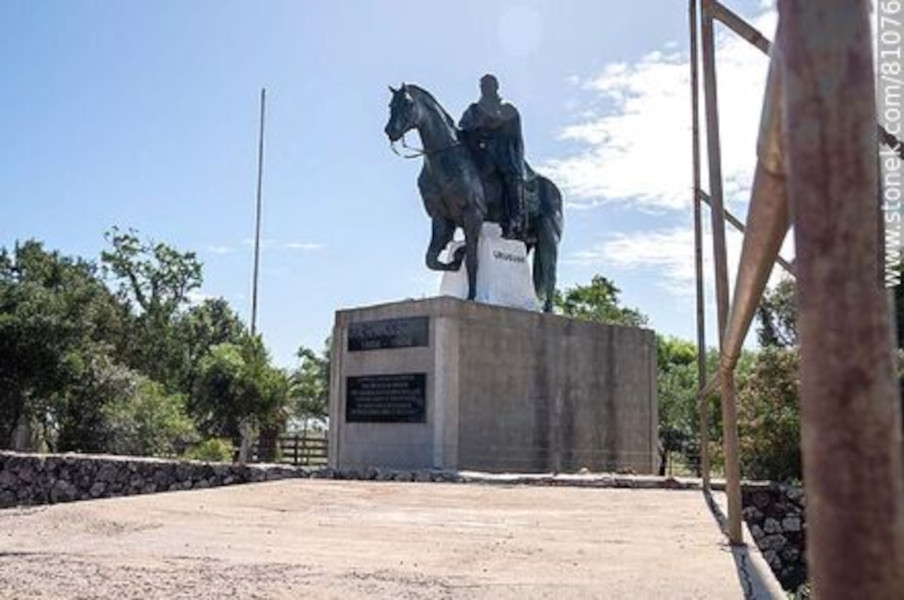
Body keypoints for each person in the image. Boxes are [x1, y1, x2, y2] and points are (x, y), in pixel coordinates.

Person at [459, 74, 525, 239]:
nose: (485, 88)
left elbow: (513, 134)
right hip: (478, 154)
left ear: (496, 87)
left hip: (502, 154)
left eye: (488, 85)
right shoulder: (473, 109)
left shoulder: (507, 109)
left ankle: (514, 218)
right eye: (482, 85)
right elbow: (462, 128)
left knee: (511, 178)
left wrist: (492, 131)